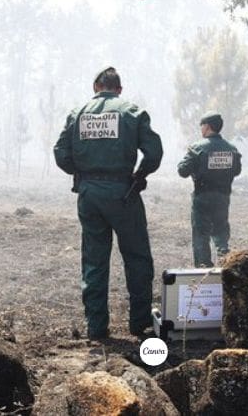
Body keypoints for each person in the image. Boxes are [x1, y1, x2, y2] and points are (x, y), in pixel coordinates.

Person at [53, 67, 163, 340]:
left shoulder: (77, 113)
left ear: (95, 87)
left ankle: (96, 327)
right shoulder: (132, 112)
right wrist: (140, 175)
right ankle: (139, 323)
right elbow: (154, 152)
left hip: (89, 194)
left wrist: (80, 173)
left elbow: (60, 152)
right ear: (119, 89)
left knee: (94, 260)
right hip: (123, 192)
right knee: (137, 257)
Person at [177, 111, 242, 267]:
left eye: (202, 126)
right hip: (222, 197)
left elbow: (182, 171)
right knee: (221, 233)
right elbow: (237, 171)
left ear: (207, 126)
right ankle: (227, 266)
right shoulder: (232, 149)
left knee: (201, 234)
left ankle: (203, 268)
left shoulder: (196, 148)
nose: (201, 129)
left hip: (202, 197)